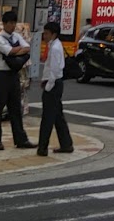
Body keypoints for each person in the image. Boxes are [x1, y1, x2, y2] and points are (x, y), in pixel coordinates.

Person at [0, 10, 34, 151]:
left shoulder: (16, 36)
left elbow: (27, 48)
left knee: (16, 109)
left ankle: (21, 139)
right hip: (1, 76)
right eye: (10, 23)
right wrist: (18, 50)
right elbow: (9, 51)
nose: (12, 25)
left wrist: (16, 50)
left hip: (14, 75)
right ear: (4, 23)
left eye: (14, 23)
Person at [36, 21, 74, 156]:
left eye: (46, 33)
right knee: (57, 116)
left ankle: (42, 147)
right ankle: (66, 144)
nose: (44, 36)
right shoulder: (54, 46)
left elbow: (54, 70)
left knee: (47, 117)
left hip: (53, 85)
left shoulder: (55, 48)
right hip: (54, 83)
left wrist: (48, 86)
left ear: (53, 34)